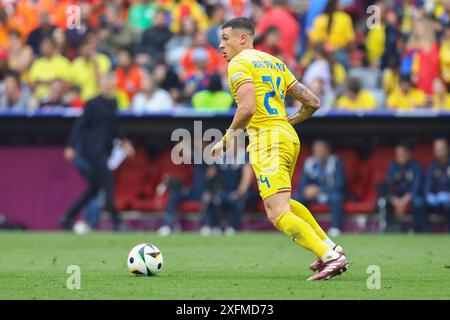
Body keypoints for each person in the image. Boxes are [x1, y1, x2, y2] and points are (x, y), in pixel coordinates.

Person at [211, 17, 348, 281]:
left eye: (225, 39)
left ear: (243, 39)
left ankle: (331, 258)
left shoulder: (239, 63)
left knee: (277, 213)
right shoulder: (275, 62)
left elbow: (247, 108)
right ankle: (330, 247)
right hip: (287, 137)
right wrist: (288, 121)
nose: (220, 45)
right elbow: (313, 102)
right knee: (284, 203)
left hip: (267, 141)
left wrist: (227, 138)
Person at [60, 72, 135, 231]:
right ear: (101, 84)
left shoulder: (113, 102)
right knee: (108, 184)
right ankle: (117, 223)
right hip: (93, 150)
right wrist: (71, 146)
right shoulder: (93, 103)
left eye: (111, 81)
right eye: (106, 81)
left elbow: (115, 126)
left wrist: (123, 141)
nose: (109, 84)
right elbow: (80, 125)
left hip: (105, 149)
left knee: (93, 189)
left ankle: (67, 217)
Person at [200, 141, 253, 236]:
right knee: (212, 199)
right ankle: (212, 226)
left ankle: (231, 227)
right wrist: (208, 191)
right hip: (224, 191)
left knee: (237, 201)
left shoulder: (243, 156)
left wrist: (239, 192)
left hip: (240, 192)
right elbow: (210, 175)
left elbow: (247, 176)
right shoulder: (221, 157)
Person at [295, 140, 346, 237]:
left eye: (322, 149)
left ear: (328, 150)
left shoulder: (335, 162)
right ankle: (300, 228)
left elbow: (340, 184)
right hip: (313, 195)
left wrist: (319, 189)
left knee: (337, 197)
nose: (320, 152)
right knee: (297, 198)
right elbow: (302, 185)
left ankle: (335, 228)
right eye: (317, 150)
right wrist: (307, 190)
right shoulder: (309, 163)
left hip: (330, 192)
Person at [385, 144, 429, 233]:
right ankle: (389, 230)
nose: (399, 157)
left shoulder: (416, 166)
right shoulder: (393, 167)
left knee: (418, 203)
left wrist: (404, 201)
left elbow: (416, 187)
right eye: (397, 155)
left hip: (411, 196)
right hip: (397, 198)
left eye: (402, 155)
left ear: (408, 154)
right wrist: (396, 201)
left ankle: (421, 230)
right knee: (384, 202)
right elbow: (388, 186)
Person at [424, 138, 450, 232]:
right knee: (419, 204)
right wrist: (428, 195)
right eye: (437, 150)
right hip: (435, 200)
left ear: (447, 149)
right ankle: (425, 233)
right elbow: (428, 183)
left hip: (448, 199)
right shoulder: (433, 165)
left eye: (441, 149)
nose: (439, 152)